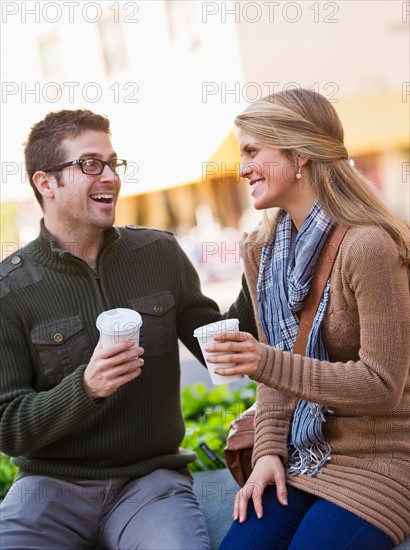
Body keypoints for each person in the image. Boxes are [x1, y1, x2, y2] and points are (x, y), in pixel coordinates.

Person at [0, 109, 257, 550]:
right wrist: (85, 387)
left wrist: (260, 263)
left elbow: (221, 349)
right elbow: (7, 427)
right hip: (49, 488)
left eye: (112, 163)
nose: (110, 177)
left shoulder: (159, 252)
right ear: (46, 183)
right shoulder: (9, 291)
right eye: (89, 164)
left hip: (152, 482)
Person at [203, 89, 410, 549]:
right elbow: (275, 372)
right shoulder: (261, 251)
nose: (241, 169)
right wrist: (267, 452)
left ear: (298, 153)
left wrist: (263, 361)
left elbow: (381, 383)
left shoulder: (369, 247)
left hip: (384, 456)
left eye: (253, 151)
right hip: (303, 453)